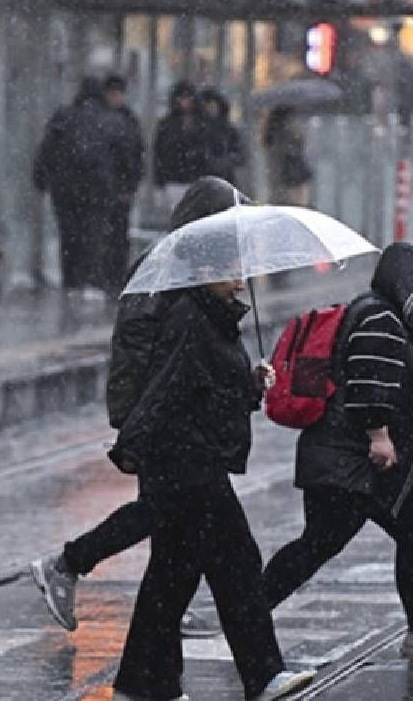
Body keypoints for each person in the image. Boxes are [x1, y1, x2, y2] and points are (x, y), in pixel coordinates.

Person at [30, 177, 250, 640]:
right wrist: (134, 422)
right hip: (162, 418)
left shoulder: (187, 268)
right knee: (165, 513)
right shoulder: (168, 270)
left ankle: (155, 626)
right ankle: (68, 564)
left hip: (170, 415)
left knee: (169, 519)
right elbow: (144, 350)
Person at [107, 229, 314, 701]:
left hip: (187, 461)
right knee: (238, 564)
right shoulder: (191, 319)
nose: (242, 282)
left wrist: (249, 384)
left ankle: (138, 684)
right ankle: (263, 675)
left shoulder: (213, 317)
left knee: (172, 576)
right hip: (187, 464)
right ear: (204, 273)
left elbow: (209, 391)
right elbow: (168, 388)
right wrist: (131, 444)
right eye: (233, 273)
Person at [259, 242, 413, 658]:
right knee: (329, 543)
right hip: (356, 462)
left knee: (391, 533)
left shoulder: (377, 313)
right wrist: (379, 434)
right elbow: (369, 383)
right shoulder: (381, 319)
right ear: (406, 284)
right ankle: (249, 612)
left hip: (354, 462)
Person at [34, 77, 122, 298]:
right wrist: (122, 184)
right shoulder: (109, 119)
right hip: (97, 189)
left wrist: (41, 179)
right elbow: (123, 153)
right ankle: (91, 281)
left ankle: (71, 281)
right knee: (92, 235)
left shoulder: (63, 117)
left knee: (69, 235)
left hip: (64, 188)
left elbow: (46, 150)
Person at [103, 74, 145, 295]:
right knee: (109, 235)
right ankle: (110, 276)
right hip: (107, 188)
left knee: (118, 234)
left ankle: (116, 276)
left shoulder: (127, 120)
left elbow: (136, 156)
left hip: (119, 188)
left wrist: (129, 186)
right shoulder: (120, 120)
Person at [154, 81, 209, 213]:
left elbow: (206, 150)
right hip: (174, 178)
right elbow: (159, 152)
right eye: (181, 97)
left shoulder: (202, 124)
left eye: (188, 98)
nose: (184, 102)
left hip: (196, 178)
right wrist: (161, 179)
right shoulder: (167, 125)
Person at [263, 106, 311, 207]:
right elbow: (293, 151)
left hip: (284, 180)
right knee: (296, 206)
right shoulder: (288, 135)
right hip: (291, 177)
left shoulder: (273, 135)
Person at [199, 87, 246, 185]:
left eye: (212, 105)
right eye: (207, 105)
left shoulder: (228, 129)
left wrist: (224, 162)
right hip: (202, 179)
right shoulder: (198, 129)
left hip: (226, 179)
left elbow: (240, 155)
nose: (210, 109)